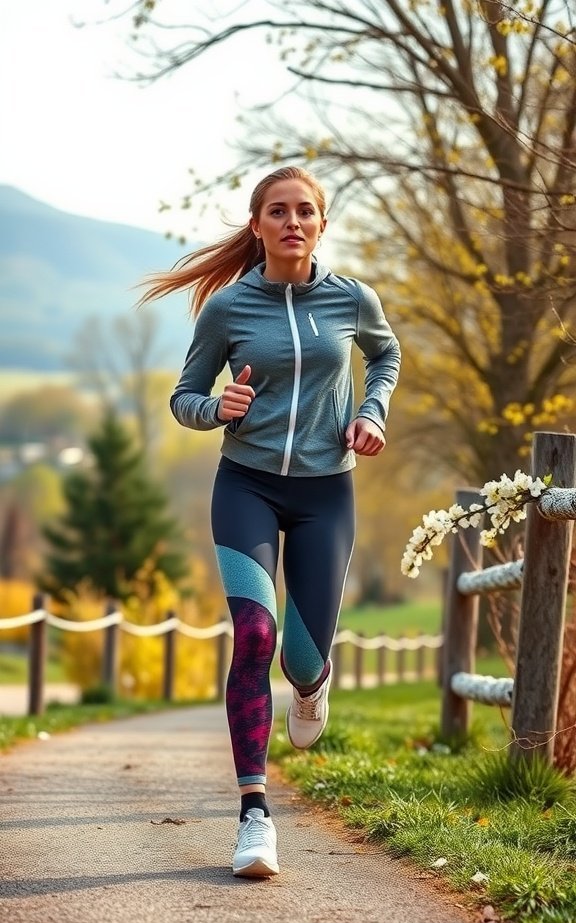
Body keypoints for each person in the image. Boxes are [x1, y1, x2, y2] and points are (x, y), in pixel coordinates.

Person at [140, 166, 401, 879]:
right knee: (253, 633)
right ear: (257, 225)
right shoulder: (228, 309)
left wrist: (371, 412)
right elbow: (185, 396)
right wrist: (214, 409)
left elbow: (386, 355)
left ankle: (313, 684)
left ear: (321, 224)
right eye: (278, 211)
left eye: (305, 211)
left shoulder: (352, 298)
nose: (292, 221)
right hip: (246, 485)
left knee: (301, 658)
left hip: (327, 494)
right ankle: (255, 816)